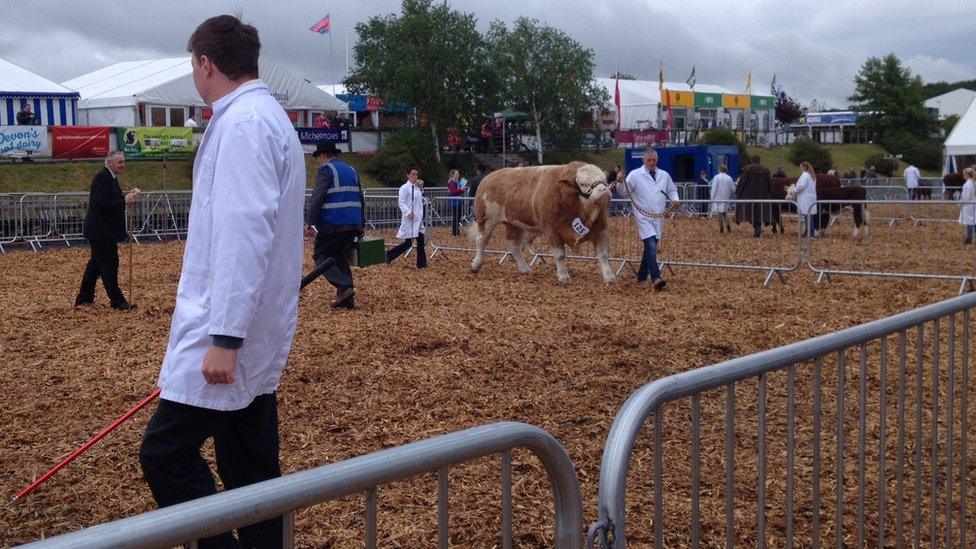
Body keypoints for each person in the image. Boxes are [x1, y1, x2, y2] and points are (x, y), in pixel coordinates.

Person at [138, 15, 306, 549]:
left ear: (206, 64)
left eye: (193, 65)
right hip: (251, 328)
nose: (194, 74)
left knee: (165, 453)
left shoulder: (244, 124)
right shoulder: (263, 117)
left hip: (229, 333)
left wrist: (226, 338)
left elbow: (243, 232)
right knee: (249, 465)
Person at [75, 151, 140, 310]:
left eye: (123, 162)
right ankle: (117, 301)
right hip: (101, 231)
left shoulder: (110, 178)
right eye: (120, 162)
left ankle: (84, 298)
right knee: (110, 265)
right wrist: (123, 201)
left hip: (102, 231)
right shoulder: (102, 177)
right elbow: (100, 202)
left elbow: (110, 200)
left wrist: (126, 199)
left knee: (95, 265)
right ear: (109, 162)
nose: (123, 165)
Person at [305, 141, 364, 309]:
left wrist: (309, 221)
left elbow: (318, 197)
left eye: (318, 158)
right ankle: (347, 299)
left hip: (333, 221)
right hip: (353, 221)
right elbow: (360, 197)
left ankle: (344, 286)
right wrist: (361, 223)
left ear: (323, 156)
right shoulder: (352, 170)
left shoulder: (326, 170)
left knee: (321, 256)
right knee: (340, 258)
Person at [618, 148, 681, 290]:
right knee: (651, 246)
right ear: (644, 160)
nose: (652, 162)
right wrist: (620, 181)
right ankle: (656, 277)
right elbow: (623, 193)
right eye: (649, 160)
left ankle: (641, 275)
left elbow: (672, 190)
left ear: (657, 160)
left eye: (654, 160)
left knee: (649, 249)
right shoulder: (635, 175)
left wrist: (675, 199)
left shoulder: (664, 175)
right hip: (643, 217)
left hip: (658, 218)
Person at [386, 166, 427, 268]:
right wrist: (408, 212)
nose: (415, 176)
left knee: (420, 241)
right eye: (413, 174)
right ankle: (389, 255)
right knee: (408, 243)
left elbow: (418, 201)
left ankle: (422, 263)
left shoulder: (417, 187)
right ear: (408, 175)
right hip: (410, 218)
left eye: (416, 174)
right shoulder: (404, 188)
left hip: (418, 218)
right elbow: (401, 202)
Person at [735, 155, 780, 237]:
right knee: (760, 213)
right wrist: (772, 194)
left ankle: (757, 228)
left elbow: (742, 181)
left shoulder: (746, 169)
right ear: (759, 160)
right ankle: (757, 228)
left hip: (748, 195)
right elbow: (770, 183)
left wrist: (738, 191)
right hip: (762, 195)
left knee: (748, 213)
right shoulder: (765, 170)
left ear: (752, 160)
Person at [709, 164, 736, 234]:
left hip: (718, 197)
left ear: (719, 169)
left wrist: (712, 198)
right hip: (726, 197)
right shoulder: (729, 178)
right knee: (724, 212)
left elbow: (714, 188)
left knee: (719, 213)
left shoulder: (716, 177)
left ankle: (721, 229)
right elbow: (733, 189)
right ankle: (728, 227)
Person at [795, 161, 819, 237]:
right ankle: (810, 233)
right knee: (809, 216)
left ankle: (810, 234)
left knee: (807, 217)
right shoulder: (812, 176)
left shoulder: (805, 175)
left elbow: (802, 186)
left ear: (804, 167)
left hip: (805, 198)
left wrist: (793, 190)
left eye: (800, 167)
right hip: (810, 197)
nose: (799, 168)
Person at [959, 167, 976, 244]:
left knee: (970, 222)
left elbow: (965, 197)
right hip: (973, 203)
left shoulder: (967, 185)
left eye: (964, 174)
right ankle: (969, 238)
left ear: (967, 175)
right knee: (974, 221)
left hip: (968, 205)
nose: (963, 176)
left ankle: (968, 239)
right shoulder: (974, 182)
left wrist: (960, 203)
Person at [447, 169, 465, 236]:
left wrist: (462, 189)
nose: (458, 175)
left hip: (458, 200)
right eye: (456, 174)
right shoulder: (452, 182)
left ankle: (457, 231)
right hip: (455, 201)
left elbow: (458, 190)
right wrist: (460, 189)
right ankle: (455, 232)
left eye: (458, 174)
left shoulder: (457, 181)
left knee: (458, 216)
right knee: (456, 217)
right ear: (453, 175)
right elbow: (453, 191)